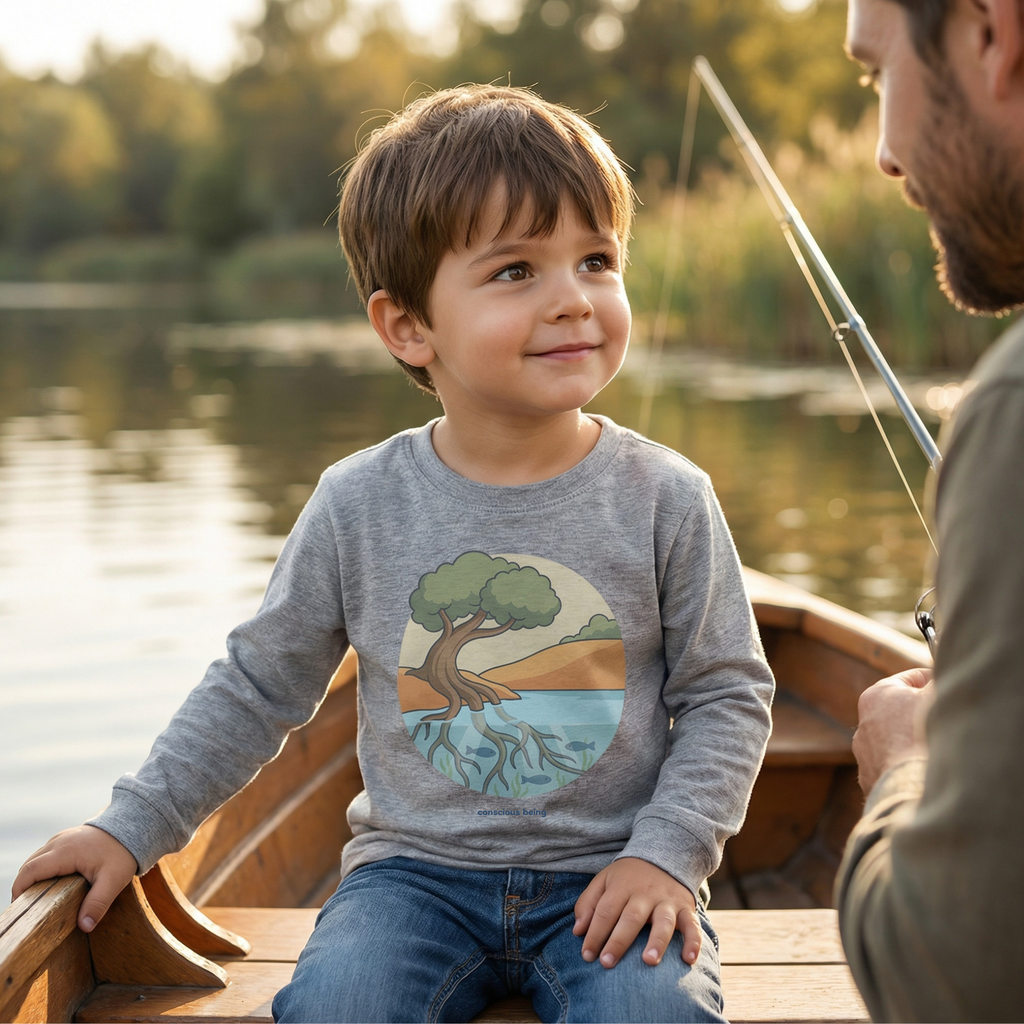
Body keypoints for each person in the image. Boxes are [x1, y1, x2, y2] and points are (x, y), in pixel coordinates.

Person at [12, 85, 774, 1023]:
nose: (574, 299)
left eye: (596, 260)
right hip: (412, 880)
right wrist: (128, 830)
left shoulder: (666, 497)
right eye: (514, 272)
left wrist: (667, 852)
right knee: (337, 1010)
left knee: (654, 1016)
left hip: (613, 874)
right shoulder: (358, 503)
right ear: (408, 325)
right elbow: (257, 688)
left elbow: (728, 693)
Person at [838, 0, 1024, 1019]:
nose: (882, 154)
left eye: (876, 77)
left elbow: (953, 979)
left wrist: (907, 766)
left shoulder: (1011, 409)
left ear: (993, 34)